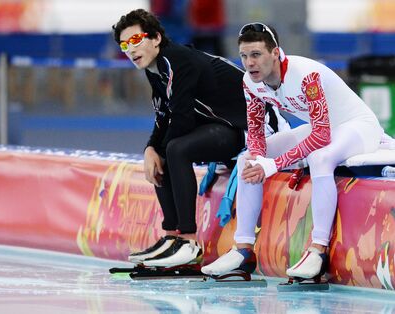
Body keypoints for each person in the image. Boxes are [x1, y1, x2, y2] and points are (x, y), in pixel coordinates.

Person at [201, 23, 384, 281]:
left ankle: (318, 249)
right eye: (243, 56)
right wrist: (257, 157)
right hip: (324, 128)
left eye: (256, 55)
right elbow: (255, 133)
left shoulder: (306, 75)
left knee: (320, 158)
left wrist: (273, 165)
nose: (249, 63)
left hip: (357, 126)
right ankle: (243, 250)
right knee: (246, 159)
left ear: (275, 53)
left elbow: (320, 136)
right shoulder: (249, 83)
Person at [113, 9, 255, 268]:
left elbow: (181, 118)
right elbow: (162, 115)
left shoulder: (177, 60)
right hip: (216, 125)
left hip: (245, 131)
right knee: (166, 150)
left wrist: (159, 150)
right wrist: (150, 149)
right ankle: (172, 237)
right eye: (124, 45)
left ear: (155, 38)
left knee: (175, 149)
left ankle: (188, 241)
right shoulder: (154, 69)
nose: (130, 50)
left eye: (135, 41)